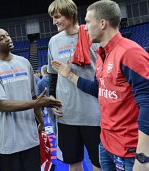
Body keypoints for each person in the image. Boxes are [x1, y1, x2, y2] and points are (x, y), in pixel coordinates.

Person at [51, 0, 149, 170]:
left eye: (87, 22)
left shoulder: (130, 52)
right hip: (107, 144)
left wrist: (142, 156)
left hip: (130, 150)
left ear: (102, 23)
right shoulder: (103, 55)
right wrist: (70, 75)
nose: (84, 28)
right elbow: (97, 89)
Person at [0, 28, 62, 171]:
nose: (7, 39)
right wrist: (36, 103)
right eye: (1, 38)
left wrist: (41, 122)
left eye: (7, 35)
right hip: (8, 141)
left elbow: (33, 95)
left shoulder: (24, 62)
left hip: (30, 137)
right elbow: (3, 105)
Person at [47, 0, 102, 170]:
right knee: (73, 162)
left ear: (70, 14)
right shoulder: (53, 42)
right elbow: (52, 75)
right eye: (52, 18)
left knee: (99, 163)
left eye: (57, 17)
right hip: (67, 114)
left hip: (95, 113)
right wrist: (52, 98)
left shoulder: (92, 34)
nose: (54, 22)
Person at [37, 65, 57, 136]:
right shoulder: (56, 78)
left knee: (53, 122)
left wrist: (41, 110)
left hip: (49, 106)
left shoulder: (40, 82)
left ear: (42, 72)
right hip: (58, 103)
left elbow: (39, 98)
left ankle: (57, 139)